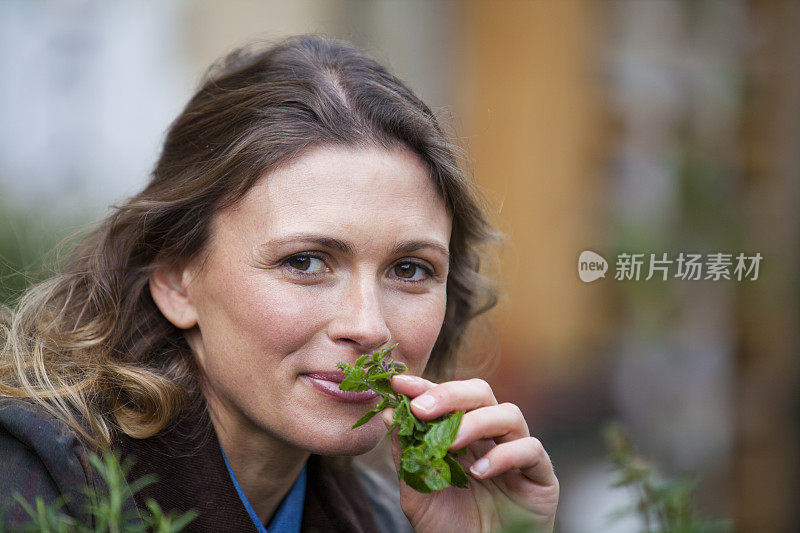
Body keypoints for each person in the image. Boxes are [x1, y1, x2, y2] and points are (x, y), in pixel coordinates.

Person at [0, 35, 559, 532]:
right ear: (175, 280)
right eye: (306, 262)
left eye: (409, 269)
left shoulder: (388, 515)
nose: (369, 326)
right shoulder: (41, 481)